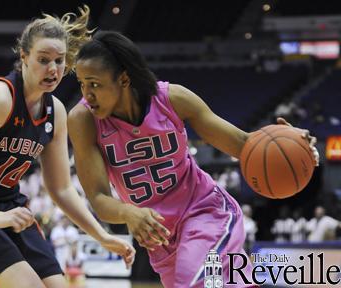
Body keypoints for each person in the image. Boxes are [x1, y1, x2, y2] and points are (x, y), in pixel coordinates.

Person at [67, 31, 319, 288]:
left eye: (95, 84)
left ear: (123, 79)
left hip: (205, 213)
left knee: (193, 283)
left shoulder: (171, 99)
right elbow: (98, 199)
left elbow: (244, 145)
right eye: (82, 84)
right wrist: (129, 212)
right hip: (162, 241)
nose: (87, 94)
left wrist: (293, 144)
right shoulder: (82, 120)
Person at [0, 7, 134, 288]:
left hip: (8, 207)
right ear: (23, 57)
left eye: (59, 61)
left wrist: (101, 235)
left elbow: (60, 189)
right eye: (43, 60)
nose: (53, 69)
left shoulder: (55, 112)